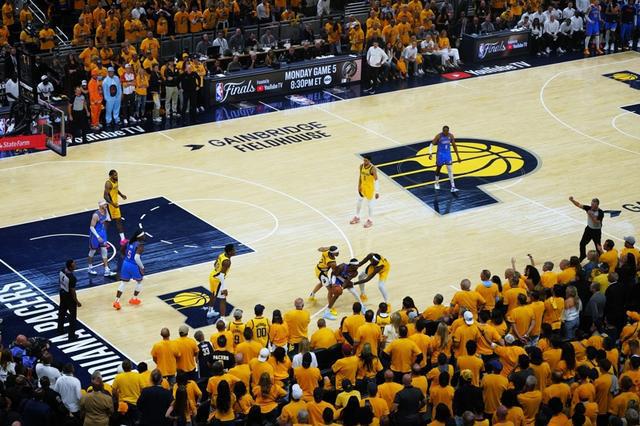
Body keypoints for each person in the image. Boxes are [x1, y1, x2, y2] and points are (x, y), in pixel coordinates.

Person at [114, 228, 145, 310]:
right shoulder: (140, 245)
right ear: (139, 237)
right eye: (143, 235)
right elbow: (137, 258)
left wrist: (127, 259)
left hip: (125, 263)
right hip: (134, 265)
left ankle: (116, 301)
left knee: (123, 283)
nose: (144, 236)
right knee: (139, 281)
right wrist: (142, 267)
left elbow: (121, 251)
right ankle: (134, 299)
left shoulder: (129, 242)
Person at [569, 196, 604, 261]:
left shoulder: (600, 212)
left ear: (597, 205)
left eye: (594, 205)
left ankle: (601, 259)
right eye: (591, 204)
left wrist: (591, 215)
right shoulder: (588, 208)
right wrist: (572, 200)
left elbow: (597, 222)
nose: (592, 206)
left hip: (596, 231)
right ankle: (582, 255)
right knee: (582, 244)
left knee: (598, 247)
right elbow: (578, 204)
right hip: (588, 229)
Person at [88, 200, 117, 277]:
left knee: (104, 251)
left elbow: (108, 219)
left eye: (106, 204)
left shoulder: (106, 211)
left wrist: (107, 213)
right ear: (100, 206)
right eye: (104, 205)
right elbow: (91, 227)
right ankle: (90, 268)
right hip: (95, 235)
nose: (106, 206)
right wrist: (98, 236)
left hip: (103, 233)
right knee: (92, 251)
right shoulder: (95, 215)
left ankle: (107, 270)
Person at [207, 243, 236, 319]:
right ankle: (222, 319)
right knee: (223, 298)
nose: (235, 251)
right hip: (218, 279)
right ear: (229, 252)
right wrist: (224, 288)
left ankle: (210, 311)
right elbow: (221, 276)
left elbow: (215, 264)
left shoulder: (222, 255)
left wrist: (218, 270)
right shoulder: (227, 262)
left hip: (212, 275)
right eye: (233, 250)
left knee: (213, 294)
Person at [350, 155, 379, 228]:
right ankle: (357, 217)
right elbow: (360, 176)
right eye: (364, 160)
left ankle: (370, 220)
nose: (364, 162)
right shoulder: (361, 166)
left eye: (366, 160)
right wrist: (359, 186)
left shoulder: (373, 169)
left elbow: (376, 180)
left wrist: (377, 192)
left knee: (369, 205)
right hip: (363, 187)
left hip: (370, 189)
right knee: (359, 201)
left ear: (369, 161)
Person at [429, 125, 461, 192]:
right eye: (444, 131)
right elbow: (431, 144)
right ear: (442, 131)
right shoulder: (438, 136)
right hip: (440, 154)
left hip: (447, 154)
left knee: (450, 170)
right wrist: (430, 153)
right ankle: (436, 183)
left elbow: (454, 146)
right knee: (438, 168)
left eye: (446, 131)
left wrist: (458, 156)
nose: (445, 132)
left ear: (448, 131)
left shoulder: (451, 136)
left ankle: (453, 187)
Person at [57, 259, 81, 341]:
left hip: (62, 293)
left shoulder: (62, 271)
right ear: (70, 267)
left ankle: (60, 329)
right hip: (69, 297)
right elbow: (73, 291)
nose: (75, 265)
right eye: (74, 264)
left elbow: (59, 281)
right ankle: (71, 336)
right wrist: (77, 301)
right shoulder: (72, 278)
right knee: (72, 317)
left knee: (62, 312)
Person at [103, 169, 128, 244]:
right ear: (110, 176)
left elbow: (116, 189)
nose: (116, 176)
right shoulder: (108, 184)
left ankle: (123, 239)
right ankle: (102, 241)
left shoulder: (116, 180)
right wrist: (112, 204)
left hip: (115, 205)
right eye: (115, 175)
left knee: (118, 221)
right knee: (107, 223)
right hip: (110, 206)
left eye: (116, 174)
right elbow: (105, 196)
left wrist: (121, 195)